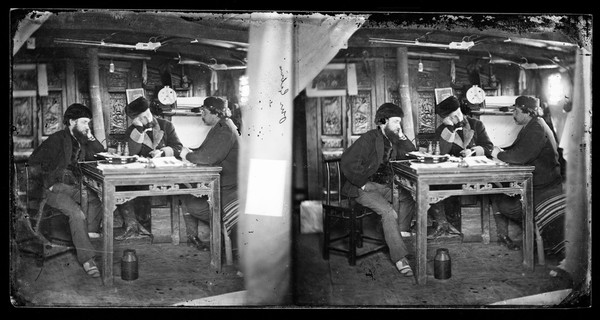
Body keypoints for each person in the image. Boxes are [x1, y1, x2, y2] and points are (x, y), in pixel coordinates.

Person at [27, 103, 105, 278]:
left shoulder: (82, 139)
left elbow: (102, 155)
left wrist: (91, 138)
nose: (87, 126)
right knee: (77, 214)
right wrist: (49, 183)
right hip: (53, 190)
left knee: (95, 198)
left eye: (89, 123)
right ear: (71, 121)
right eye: (84, 122)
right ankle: (87, 259)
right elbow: (34, 162)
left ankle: (86, 235)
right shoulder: (57, 139)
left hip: (74, 186)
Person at [340, 102, 416, 277]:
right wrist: (362, 183)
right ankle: (400, 258)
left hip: (384, 187)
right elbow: (348, 162)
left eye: (400, 122)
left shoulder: (394, 139)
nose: (399, 125)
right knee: (389, 213)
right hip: (363, 188)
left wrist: (403, 138)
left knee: (408, 197)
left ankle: (400, 233)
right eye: (396, 121)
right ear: (384, 121)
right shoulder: (369, 138)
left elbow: (412, 154)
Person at [491, 96, 564, 251]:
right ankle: (527, 234)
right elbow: (518, 149)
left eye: (516, 111)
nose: (513, 115)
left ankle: (532, 236)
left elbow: (520, 156)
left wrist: (498, 154)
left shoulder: (536, 128)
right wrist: (501, 152)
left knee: (504, 204)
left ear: (526, 111)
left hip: (542, 187)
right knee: (499, 195)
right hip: (539, 182)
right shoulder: (533, 125)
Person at [115, 96, 184, 240]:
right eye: (142, 118)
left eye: (147, 114)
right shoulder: (132, 131)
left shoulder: (166, 126)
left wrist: (163, 152)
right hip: (141, 175)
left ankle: (145, 225)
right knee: (121, 187)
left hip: (164, 174)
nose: (147, 119)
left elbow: (178, 147)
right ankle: (132, 225)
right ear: (135, 119)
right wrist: (139, 129)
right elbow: (132, 152)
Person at [428, 96, 495, 239]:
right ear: (446, 118)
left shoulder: (476, 124)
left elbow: (489, 147)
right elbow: (442, 151)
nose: (458, 118)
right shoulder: (443, 129)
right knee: (437, 186)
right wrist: (450, 128)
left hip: (475, 173)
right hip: (453, 175)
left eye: (458, 113)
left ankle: (450, 227)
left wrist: (474, 151)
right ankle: (445, 225)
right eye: (452, 117)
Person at [179, 97, 240, 252]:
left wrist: (187, 156)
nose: (202, 115)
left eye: (204, 112)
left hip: (229, 188)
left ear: (215, 112)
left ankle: (224, 237)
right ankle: (221, 236)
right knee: (192, 202)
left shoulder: (225, 128)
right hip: (223, 183)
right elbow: (205, 151)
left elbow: (209, 157)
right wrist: (190, 152)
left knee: (194, 205)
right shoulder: (220, 126)